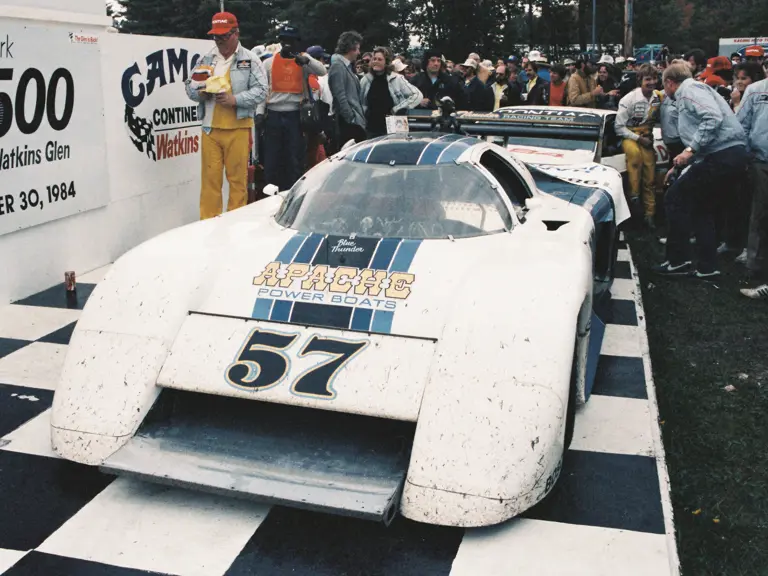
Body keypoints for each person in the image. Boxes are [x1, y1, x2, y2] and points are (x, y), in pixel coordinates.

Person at [653, 62, 748, 278]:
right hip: (726, 155)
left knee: (675, 198)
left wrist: (689, 150)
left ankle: (678, 260)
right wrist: (685, 164)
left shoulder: (688, 90)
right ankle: (707, 266)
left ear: (669, 82)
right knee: (701, 208)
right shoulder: (696, 89)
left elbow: (711, 118)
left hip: (721, 155)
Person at [185, 12, 267, 220]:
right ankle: (207, 225)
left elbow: (262, 90)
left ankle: (235, 226)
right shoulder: (206, 58)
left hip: (238, 128)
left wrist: (235, 100)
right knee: (210, 182)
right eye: (216, 37)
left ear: (236, 33)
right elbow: (190, 87)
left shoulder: (250, 59)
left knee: (237, 182)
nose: (219, 41)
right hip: (210, 128)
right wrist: (200, 93)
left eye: (224, 36)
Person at [256, 25, 326, 192]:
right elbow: (264, 89)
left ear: (297, 43)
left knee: (294, 158)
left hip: (295, 115)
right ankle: (270, 192)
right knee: (272, 158)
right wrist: (259, 112)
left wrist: (307, 60)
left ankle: (293, 191)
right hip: (273, 114)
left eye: (291, 41)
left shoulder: (302, 60)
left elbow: (322, 71)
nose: (287, 44)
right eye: (284, 41)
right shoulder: (269, 63)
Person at [615, 64, 662, 228]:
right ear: (640, 80)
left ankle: (650, 214)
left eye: (654, 78)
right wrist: (638, 138)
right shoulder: (628, 99)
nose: (651, 82)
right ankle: (634, 198)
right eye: (648, 79)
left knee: (650, 174)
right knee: (635, 158)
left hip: (647, 136)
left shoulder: (658, 97)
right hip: (630, 135)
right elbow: (618, 127)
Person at [737, 75, 768, 299]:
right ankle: (753, 266)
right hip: (761, 160)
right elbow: (742, 124)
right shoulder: (755, 90)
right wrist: (748, 155)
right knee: (759, 214)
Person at [360, 47, 423, 138]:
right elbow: (361, 103)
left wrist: (398, 109)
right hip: (371, 128)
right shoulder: (365, 80)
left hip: (395, 126)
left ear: (386, 62)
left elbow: (417, 95)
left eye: (380, 59)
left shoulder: (397, 78)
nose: (376, 61)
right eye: (374, 59)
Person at [329, 30, 366, 146]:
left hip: (351, 121)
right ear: (351, 48)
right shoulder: (338, 66)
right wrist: (351, 118)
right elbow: (340, 96)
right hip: (347, 123)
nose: (359, 53)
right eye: (357, 49)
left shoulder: (345, 66)